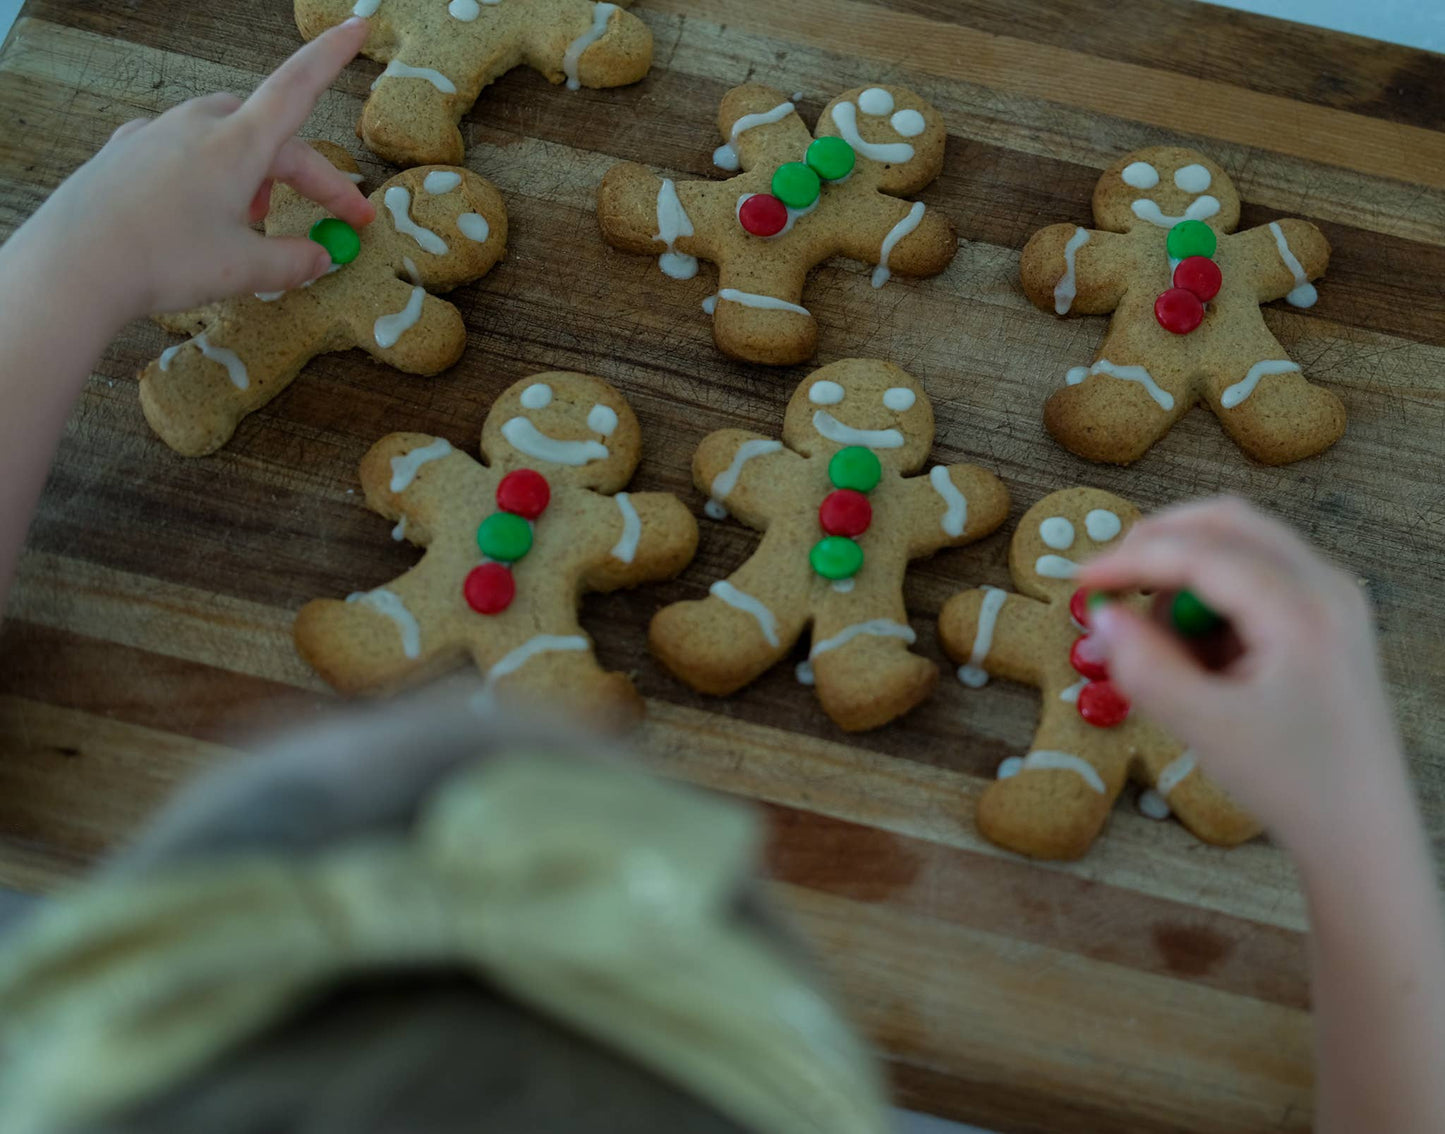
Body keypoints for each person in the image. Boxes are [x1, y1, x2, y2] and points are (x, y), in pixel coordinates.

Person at [0, 21, 1440, 1134]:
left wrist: (69, 264)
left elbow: (718, 507)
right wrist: (1359, 832)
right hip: (770, 579)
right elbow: (707, 519)